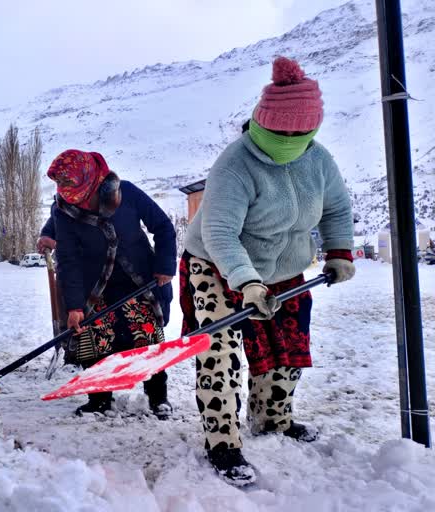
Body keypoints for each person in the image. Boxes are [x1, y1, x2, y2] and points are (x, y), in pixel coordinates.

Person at [181, 57, 355, 486]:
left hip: (284, 268)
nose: (290, 139)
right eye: (281, 132)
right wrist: (246, 281)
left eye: (300, 133)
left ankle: (274, 418)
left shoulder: (319, 161)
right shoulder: (236, 164)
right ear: (262, 122)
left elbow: (335, 208)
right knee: (218, 352)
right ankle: (222, 440)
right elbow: (220, 232)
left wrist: (340, 251)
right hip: (218, 265)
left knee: (287, 345)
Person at [47, 149, 177, 419]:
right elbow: (68, 259)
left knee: (146, 336)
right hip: (94, 285)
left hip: (138, 279)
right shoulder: (63, 211)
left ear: (91, 180)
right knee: (94, 338)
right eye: (62, 186)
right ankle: (98, 400)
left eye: (74, 188)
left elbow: (163, 226)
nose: (69, 194)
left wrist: (164, 266)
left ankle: (157, 397)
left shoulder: (125, 192)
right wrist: (73, 306)